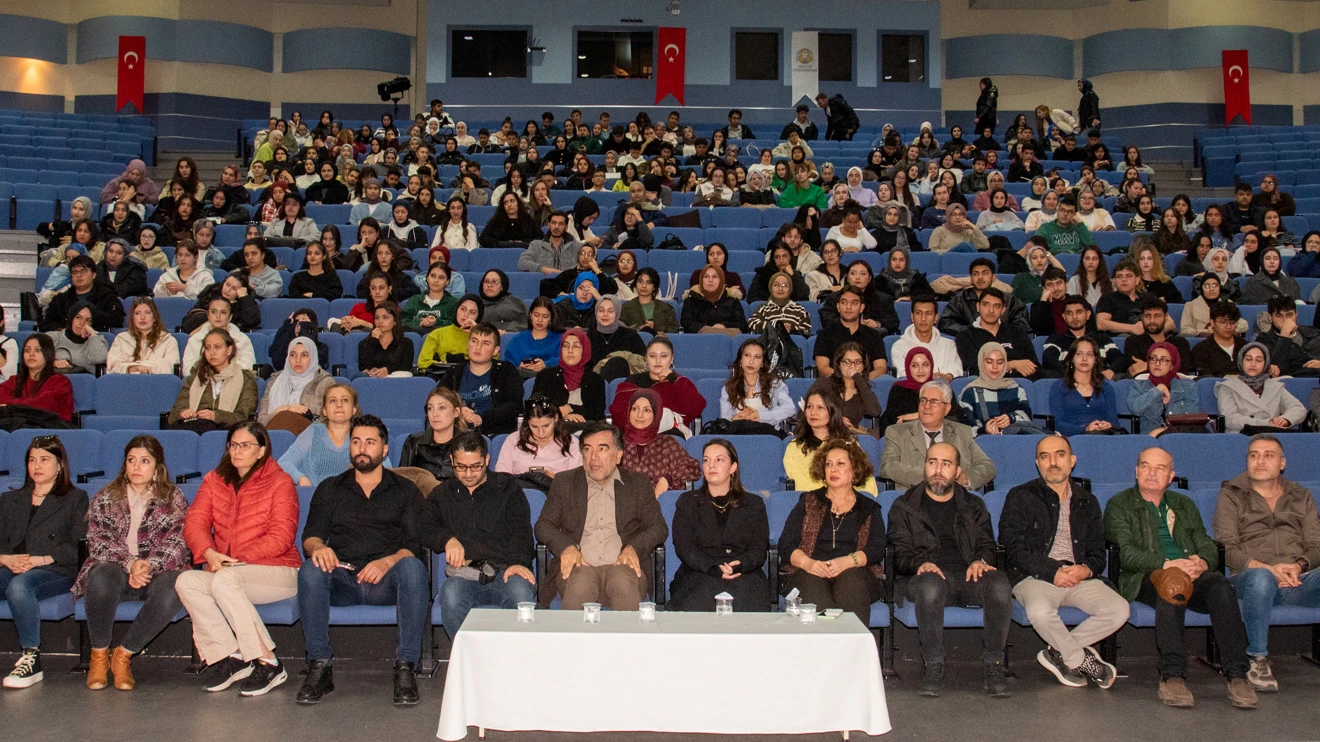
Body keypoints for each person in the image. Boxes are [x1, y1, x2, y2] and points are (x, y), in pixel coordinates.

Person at [1104, 447, 1257, 709]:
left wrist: (1203, 562)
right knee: (1172, 584)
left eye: (1160, 468)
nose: (1151, 473)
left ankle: (1237, 673)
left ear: (1171, 476)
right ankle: (1172, 674)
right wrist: (1167, 564)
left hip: (1189, 573)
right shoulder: (1119, 504)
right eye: (1145, 466)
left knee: (1221, 587)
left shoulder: (1184, 504)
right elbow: (1126, 554)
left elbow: (1206, 543)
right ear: (1136, 471)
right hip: (1142, 577)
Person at [296, 415, 429, 706]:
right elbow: (310, 536)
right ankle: (319, 666)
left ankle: (405, 667)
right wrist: (319, 548)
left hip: (388, 581)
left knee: (413, 568)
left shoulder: (406, 490)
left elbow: (415, 545)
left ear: (384, 450)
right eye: (356, 442)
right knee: (310, 569)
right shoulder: (330, 488)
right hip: (342, 578)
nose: (362, 448)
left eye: (370, 442)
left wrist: (387, 562)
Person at [1000, 435, 1126, 688]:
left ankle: (1060, 652)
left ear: (1072, 461)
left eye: (1059, 455)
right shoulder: (1020, 496)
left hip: (1078, 577)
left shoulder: (1087, 501)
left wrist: (1085, 569)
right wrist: (1052, 570)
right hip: (1035, 576)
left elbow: (1097, 553)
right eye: (1045, 457)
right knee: (1039, 613)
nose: (1052, 462)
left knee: (1119, 609)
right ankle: (1081, 660)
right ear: (1037, 463)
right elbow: (1013, 549)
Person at [888, 442, 1012, 698]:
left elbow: (988, 544)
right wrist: (918, 563)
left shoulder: (973, 505)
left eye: (946, 464)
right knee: (931, 585)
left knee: (999, 584)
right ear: (924, 466)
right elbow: (898, 552)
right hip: (923, 578)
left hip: (969, 576)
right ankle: (933, 665)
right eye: (932, 462)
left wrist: (980, 559)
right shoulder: (905, 506)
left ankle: (994, 665)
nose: (938, 470)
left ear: (957, 471)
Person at [72, 435, 189, 692]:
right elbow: (99, 541)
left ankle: (123, 655)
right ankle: (99, 656)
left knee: (176, 585)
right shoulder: (106, 497)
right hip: (118, 570)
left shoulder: (173, 497)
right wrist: (130, 563)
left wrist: (149, 565)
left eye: (144, 461)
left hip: (155, 573)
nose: (136, 467)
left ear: (158, 467)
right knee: (101, 574)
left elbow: (177, 543)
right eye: (131, 460)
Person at [1213, 434, 1320, 692]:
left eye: (1268, 455)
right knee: (1261, 578)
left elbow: (1316, 545)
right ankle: (1258, 658)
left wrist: (1299, 565)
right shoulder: (1231, 495)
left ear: (1282, 463)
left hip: (1299, 579)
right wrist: (1267, 568)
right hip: (1250, 579)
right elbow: (1225, 547)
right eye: (1254, 455)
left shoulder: (1300, 495)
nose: (1260, 461)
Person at [534, 422, 669, 609]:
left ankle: (626, 639)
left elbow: (658, 527)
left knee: (621, 580)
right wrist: (566, 547)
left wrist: (634, 548)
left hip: (623, 567)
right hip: (579, 568)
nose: (593, 457)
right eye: (588, 450)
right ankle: (572, 639)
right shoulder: (565, 482)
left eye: (602, 449)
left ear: (619, 455)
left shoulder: (638, 484)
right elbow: (543, 525)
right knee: (581, 581)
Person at [420, 430, 536, 640]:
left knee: (521, 595)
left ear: (487, 460)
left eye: (476, 466)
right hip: (466, 573)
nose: (468, 473)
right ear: (452, 461)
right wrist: (447, 539)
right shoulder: (442, 494)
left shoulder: (507, 487)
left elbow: (521, 530)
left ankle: (516, 660)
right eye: (461, 467)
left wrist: (518, 562)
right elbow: (423, 527)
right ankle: (472, 659)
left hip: (506, 569)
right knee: (451, 596)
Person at [0, 437, 88, 688]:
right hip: (11, 566)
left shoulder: (75, 498)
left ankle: (31, 658)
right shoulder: (9, 500)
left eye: (44, 460)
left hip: (55, 569)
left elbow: (80, 546)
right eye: (31, 460)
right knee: (16, 580)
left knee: (20, 586)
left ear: (60, 465)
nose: (36, 466)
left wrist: (40, 559)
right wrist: (5, 559)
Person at [779, 436, 886, 625]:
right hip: (809, 570)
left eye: (840, 463)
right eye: (828, 464)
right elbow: (786, 545)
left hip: (855, 570)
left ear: (855, 471)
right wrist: (809, 563)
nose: (833, 469)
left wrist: (847, 562)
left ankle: (853, 650)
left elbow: (876, 549)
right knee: (812, 584)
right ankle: (824, 651)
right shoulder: (808, 502)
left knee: (852, 582)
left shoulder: (868, 508)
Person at [671, 439, 770, 612]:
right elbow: (685, 547)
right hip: (699, 572)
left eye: (719, 460)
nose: (711, 465)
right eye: (706, 460)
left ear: (733, 468)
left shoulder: (754, 504)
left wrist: (740, 564)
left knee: (749, 602)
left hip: (743, 573)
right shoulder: (687, 502)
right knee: (699, 600)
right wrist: (712, 568)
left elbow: (758, 549)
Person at [881, 380, 997, 491]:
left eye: (934, 402)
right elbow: (888, 467)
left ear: (947, 409)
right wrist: (934, 477)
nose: (927, 406)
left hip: (954, 502)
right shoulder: (897, 432)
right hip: (914, 499)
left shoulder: (962, 432)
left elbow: (987, 466)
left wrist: (965, 478)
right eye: (923, 400)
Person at [437, 322, 524, 436]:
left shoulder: (506, 371)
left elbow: (514, 405)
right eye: (474, 341)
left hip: (495, 433)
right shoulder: (454, 372)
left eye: (485, 343)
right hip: (457, 434)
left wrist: (481, 418)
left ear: (495, 350)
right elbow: (435, 402)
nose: (478, 347)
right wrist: (458, 410)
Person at [609, 336, 706, 437]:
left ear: (672, 359)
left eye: (663, 356)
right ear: (646, 358)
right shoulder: (632, 382)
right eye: (652, 356)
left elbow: (695, 409)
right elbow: (619, 415)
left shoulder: (681, 382)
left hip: (670, 439)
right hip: (635, 437)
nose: (658, 361)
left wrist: (673, 379)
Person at [167, 328, 259, 433]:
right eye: (208, 348)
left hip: (226, 433)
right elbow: (173, 415)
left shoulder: (246, 380)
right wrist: (182, 412)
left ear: (229, 350)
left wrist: (216, 416)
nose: (212, 353)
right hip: (193, 427)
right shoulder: (194, 378)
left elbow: (244, 417)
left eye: (217, 347)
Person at [1215, 343, 1306, 434]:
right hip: (1241, 437)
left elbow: (1298, 409)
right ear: (1241, 361)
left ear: (1265, 364)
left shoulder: (1275, 386)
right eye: (1248, 359)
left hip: (1273, 437)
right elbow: (1229, 419)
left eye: (1259, 360)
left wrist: (1285, 419)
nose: (1253, 364)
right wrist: (1266, 423)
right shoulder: (1227, 387)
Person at [277, 383, 357, 487]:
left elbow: (383, 465)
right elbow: (284, 462)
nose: (339, 404)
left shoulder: (362, 434)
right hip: (315, 497)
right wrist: (300, 478)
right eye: (332, 400)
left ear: (354, 409)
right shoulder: (314, 432)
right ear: (324, 411)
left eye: (345, 400)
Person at [957, 343, 1041, 436]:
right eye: (989, 362)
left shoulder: (1015, 388)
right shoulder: (970, 392)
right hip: (983, 443)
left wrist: (1011, 418)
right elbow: (964, 428)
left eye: (1000, 362)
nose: (995, 366)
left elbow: (1027, 416)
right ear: (981, 362)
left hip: (1014, 439)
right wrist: (984, 430)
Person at [955, 288, 1039, 379]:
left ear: (1003, 310)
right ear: (978, 306)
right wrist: (1011, 365)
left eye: (997, 306)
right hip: (983, 387)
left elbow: (1032, 366)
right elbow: (975, 369)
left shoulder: (1018, 332)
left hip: (1018, 384)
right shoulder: (965, 336)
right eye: (986, 304)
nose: (991, 310)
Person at [258, 337, 334, 434]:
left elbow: (330, 416)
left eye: (304, 355)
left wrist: (295, 409)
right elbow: (262, 420)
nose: (298, 360)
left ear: (313, 357)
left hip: (311, 434)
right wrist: (282, 411)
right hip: (275, 432)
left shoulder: (326, 383)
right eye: (293, 355)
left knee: (288, 418)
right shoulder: (274, 383)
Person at [494, 399, 583, 480]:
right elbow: (502, 479)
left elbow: (575, 483)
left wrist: (556, 480)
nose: (541, 433)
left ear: (555, 418)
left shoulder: (571, 442)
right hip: (520, 492)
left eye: (546, 426)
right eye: (534, 426)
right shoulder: (513, 440)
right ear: (527, 422)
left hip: (556, 493)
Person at [0, 335, 75, 430]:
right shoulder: (15, 380)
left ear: (47, 353)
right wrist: (15, 407)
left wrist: (8, 406)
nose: (31, 354)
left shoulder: (60, 382)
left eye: (37, 350)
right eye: (27, 350)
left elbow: (41, 405)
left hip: (52, 433)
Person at [939, 259, 1029, 337]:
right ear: (970, 278)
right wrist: (973, 331)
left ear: (993, 277)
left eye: (985, 273)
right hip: (971, 341)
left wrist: (997, 331)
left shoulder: (1010, 300)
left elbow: (1022, 326)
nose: (980, 277)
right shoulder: (960, 299)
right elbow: (945, 322)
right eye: (975, 274)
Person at [1050, 337, 1120, 436]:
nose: (1084, 359)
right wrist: (1085, 429)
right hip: (1071, 439)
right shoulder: (1059, 387)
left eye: (1089, 354)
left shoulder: (1106, 387)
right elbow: (1057, 424)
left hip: (1102, 437)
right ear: (1072, 359)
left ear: (1095, 359)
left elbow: (1114, 422)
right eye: (1079, 354)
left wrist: (1108, 425)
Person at [1126, 343, 1200, 436]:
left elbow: (1191, 418)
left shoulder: (1187, 386)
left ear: (1172, 365)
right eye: (1153, 358)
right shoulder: (1138, 386)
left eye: (1164, 360)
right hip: (1150, 439)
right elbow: (1135, 409)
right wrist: (1158, 390)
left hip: (1179, 437)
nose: (1157, 363)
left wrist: (1166, 432)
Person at [814, 286, 888, 379]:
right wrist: (846, 379)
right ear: (838, 307)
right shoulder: (825, 335)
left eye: (854, 303)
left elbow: (881, 368)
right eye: (844, 302)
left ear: (861, 308)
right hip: (834, 385)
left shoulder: (874, 335)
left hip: (866, 386)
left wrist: (863, 379)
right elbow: (822, 369)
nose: (848, 307)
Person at [397, 387, 466, 483]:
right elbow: (402, 482)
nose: (434, 414)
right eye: (430, 408)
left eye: (442, 408)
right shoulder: (413, 442)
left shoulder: (468, 443)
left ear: (456, 412)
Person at [40, 255, 125, 332]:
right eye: (75, 272)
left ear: (94, 274)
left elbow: (117, 319)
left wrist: (91, 317)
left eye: (83, 271)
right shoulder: (61, 299)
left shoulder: (107, 296)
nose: (79, 275)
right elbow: (46, 324)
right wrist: (62, 329)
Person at [181, 297, 256, 373]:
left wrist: (221, 368)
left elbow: (248, 367)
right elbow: (187, 370)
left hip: (234, 381)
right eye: (213, 312)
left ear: (230, 317)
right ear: (208, 315)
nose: (218, 316)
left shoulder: (243, 340)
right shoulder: (194, 340)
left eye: (223, 312)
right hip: (203, 381)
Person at [107, 297, 179, 375]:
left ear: (154, 317)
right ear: (132, 318)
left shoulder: (168, 340)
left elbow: (170, 367)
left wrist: (142, 367)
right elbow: (112, 367)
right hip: (126, 384)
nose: (142, 317)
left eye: (147, 312)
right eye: (137, 313)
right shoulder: (121, 339)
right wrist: (132, 368)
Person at [417, 294, 481, 369]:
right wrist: (439, 364)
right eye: (463, 309)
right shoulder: (437, 334)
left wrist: (477, 333)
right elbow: (423, 362)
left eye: (472, 312)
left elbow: (490, 363)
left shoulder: (484, 337)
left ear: (478, 316)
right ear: (456, 310)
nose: (466, 315)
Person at [681, 266, 748, 336]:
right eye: (706, 277)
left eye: (715, 277)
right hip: (700, 341)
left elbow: (743, 325)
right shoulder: (691, 300)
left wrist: (724, 326)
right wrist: (707, 329)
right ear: (701, 280)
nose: (710, 280)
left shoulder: (732, 300)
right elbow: (686, 324)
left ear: (721, 280)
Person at [46, 303, 109, 375]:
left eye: (88, 320)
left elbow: (99, 359)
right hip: (54, 381)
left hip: (83, 383)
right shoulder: (53, 337)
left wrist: (93, 334)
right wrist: (52, 363)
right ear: (71, 319)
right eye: (78, 317)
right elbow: (35, 359)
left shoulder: (97, 340)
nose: (82, 323)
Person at [1189, 302, 1248, 378]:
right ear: (1212, 322)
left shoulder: (1246, 347)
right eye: (1223, 322)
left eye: (1232, 322)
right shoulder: (1200, 350)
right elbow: (1206, 380)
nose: (1228, 326)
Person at [1180, 274, 1246, 338]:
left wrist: (1220, 330)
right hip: (1201, 340)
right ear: (1202, 288)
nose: (1211, 289)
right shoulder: (1190, 306)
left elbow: (1244, 326)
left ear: (1220, 287)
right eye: (1207, 286)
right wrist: (1204, 331)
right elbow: (1184, 330)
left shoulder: (1227, 303)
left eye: (1215, 285)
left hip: (1224, 339)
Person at [621, 267, 679, 334]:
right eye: (640, 281)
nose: (644, 286)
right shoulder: (626, 308)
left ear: (654, 286)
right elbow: (621, 330)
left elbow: (674, 329)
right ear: (635, 284)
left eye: (649, 282)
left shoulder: (666, 309)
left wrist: (656, 327)